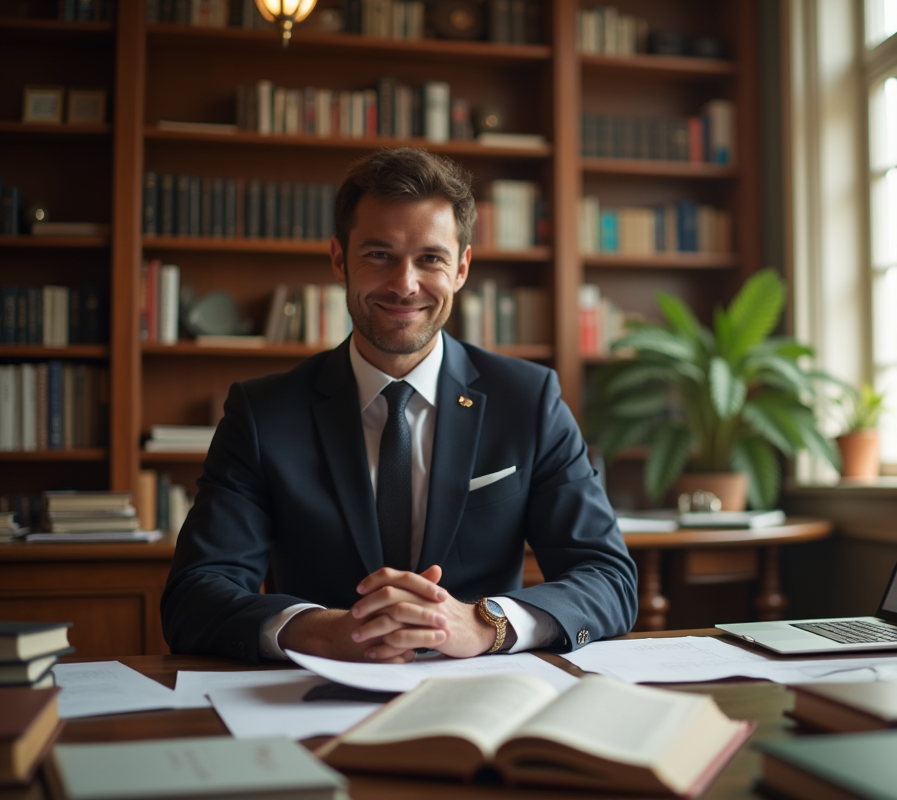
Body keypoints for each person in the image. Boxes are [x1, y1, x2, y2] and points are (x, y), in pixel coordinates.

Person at [161, 148, 638, 664]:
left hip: (482, 693)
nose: (405, 285)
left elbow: (608, 578)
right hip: (319, 690)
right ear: (339, 260)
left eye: (430, 258)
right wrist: (318, 631)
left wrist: (486, 624)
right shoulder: (262, 414)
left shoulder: (528, 400)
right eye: (379, 255)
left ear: (461, 268)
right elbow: (194, 594)